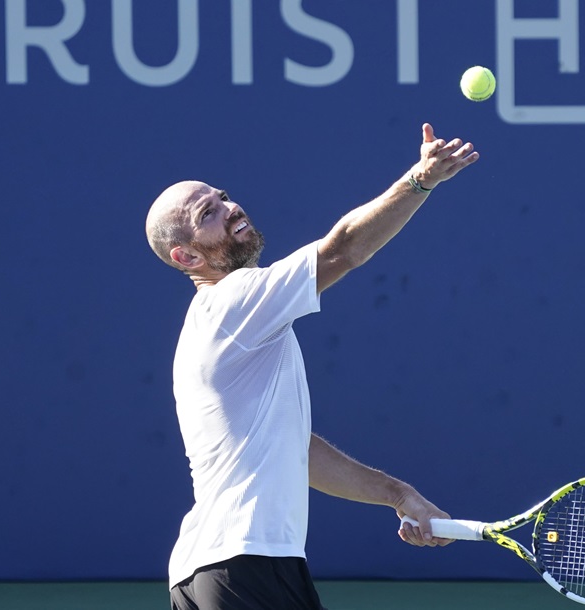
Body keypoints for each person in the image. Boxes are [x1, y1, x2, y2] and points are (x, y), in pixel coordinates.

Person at [146, 123, 479, 610]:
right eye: (208, 213)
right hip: (245, 567)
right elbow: (344, 248)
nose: (230, 207)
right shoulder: (233, 302)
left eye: (223, 197)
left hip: (218, 571)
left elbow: (295, 450)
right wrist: (421, 180)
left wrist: (397, 494)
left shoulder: (226, 323)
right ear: (187, 255)